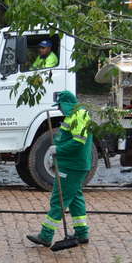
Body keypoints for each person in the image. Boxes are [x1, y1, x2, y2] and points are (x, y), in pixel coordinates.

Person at [27, 90, 92, 248]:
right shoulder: (74, 116)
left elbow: (78, 142)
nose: (60, 109)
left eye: (61, 106)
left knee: (58, 199)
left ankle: (46, 235)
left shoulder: (79, 115)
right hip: (73, 164)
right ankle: (82, 233)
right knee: (75, 199)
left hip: (72, 166)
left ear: (67, 103)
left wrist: (57, 150)